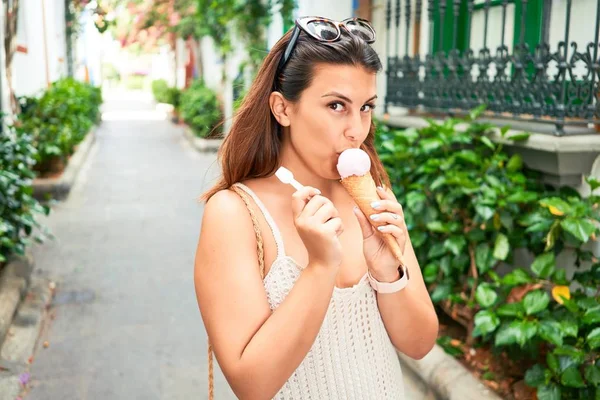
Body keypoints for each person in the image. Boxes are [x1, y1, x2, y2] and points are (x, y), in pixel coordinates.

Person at [194, 16, 438, 400]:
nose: (357, 130)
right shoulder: (235, 214)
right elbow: (251, 384)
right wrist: (321, 267)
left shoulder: (372, 196)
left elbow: (420, 343)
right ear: (282, 109)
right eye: (337, 105)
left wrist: (389, 270)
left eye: (366, 107)